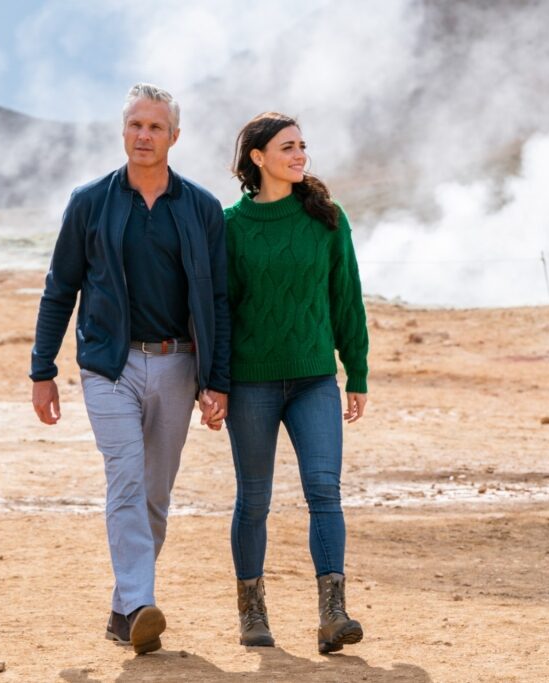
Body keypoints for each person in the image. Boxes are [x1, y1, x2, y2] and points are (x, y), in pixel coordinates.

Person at [29, 83, 231, 655]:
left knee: (154, 496)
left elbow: (216, 301)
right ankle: (143, 602)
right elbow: (59, 288)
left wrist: (218, 380)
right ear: (123, 131)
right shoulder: (90, 201)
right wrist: (41, 370)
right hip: (108, 366)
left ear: (174, 136)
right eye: (136, 125)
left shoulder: (201, 208)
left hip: (178, 365)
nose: (145, 135)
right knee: (125, 477)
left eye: (156, 127)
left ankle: (124, 610)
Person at [223, 112, 369, 654]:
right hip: (251, 383)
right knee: (254, 499)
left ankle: (334, 613)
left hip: (314, 380)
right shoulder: (230, 226)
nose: (300, 154)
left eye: (303, 145)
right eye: (288, 147)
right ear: (258, 158)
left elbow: (346, 297)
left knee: (323, 490)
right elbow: (221, 310)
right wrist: (213, 383)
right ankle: (252, 611)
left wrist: (357, 370)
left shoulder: (327, 218)